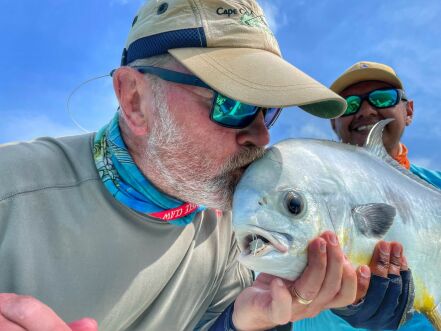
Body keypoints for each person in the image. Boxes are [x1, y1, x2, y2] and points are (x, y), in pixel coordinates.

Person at [0, 1, 413, 329]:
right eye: (231, 103)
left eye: (267, 110)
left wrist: (243, 323)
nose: (262, 136)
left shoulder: (230, 242)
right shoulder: (11, 189)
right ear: (134, 99)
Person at [293, 61, 441, 331]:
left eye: (382, 98)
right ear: (334, 123)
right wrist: (342, 304)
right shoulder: (305, 188)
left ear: (408, 111)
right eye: (349, 105)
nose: (366, 110)